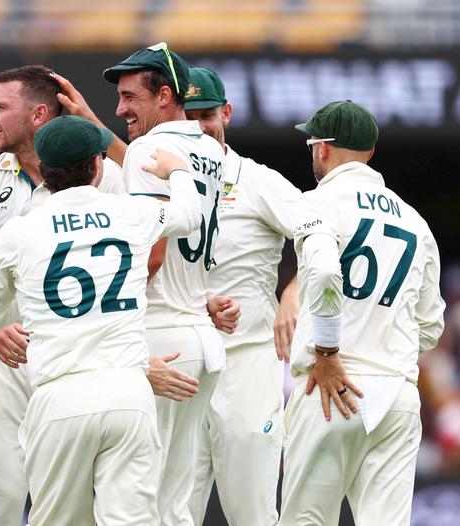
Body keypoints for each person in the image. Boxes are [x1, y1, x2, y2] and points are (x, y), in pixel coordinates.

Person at [0, 115, 204, 525]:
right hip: (128, 393)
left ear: (44, 171)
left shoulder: (21, 232)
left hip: (59, 394)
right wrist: (179, 170)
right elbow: (189, 215)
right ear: (98, 166)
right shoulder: (131, 212)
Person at [0, 64, 132, 526]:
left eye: (0, 107)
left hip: (79, 353)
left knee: (78, 501)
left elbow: (148, 257)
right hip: (6, 353)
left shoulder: (109, 177)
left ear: (39, 114)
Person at [281, 100, 445, 525]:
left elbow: (321, 272)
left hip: (331, 388)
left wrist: (329, 352)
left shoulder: (317, 202)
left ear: (321, 149)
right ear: (371, 153)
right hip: (397, 395)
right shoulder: (416, 221)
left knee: (306, 520)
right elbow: (430, 325)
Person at [104, 43, 233, 525]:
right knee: (176, 498)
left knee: (137, 492)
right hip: (199, 334)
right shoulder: (211, 148)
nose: (120, 110)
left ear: (164, 96)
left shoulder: (147, 149)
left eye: (129, 96)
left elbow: (152, 253)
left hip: (158, 335)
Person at [182, 67, 303, 526]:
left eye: (208, 115)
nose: (199, 127)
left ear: (227, 113)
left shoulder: (257, 181)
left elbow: (323, 234)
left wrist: (292, 294)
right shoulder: (161, 178)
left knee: (251, 511)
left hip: (248, 361)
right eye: (189, 116)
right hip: (183, 363)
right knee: (171, 511)